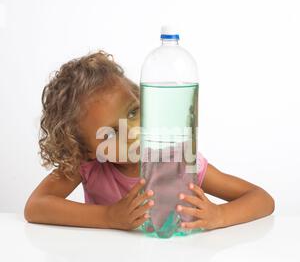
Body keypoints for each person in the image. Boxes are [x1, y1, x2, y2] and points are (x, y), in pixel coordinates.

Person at [24, 50, 275, 232]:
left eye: (133, 112)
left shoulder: (179, 162)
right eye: (111, 133)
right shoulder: (88, 166)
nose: (133, 130)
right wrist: (109, 217)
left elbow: (262, 199)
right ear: (86, 149)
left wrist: (219, 215)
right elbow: (35, 206)